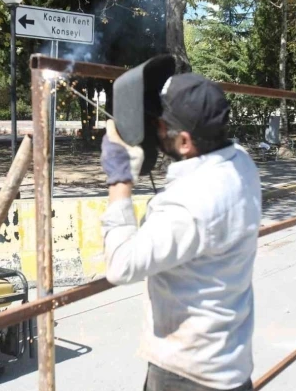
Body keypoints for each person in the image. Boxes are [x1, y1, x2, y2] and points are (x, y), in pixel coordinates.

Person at [101, 73, 262, 391]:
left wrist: (120, 178)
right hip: (228, 363)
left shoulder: (190, 205)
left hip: (189, 375)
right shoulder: (240, 163)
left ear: (186, 141)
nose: (156, 129)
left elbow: (121, 266)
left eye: (161, 126)